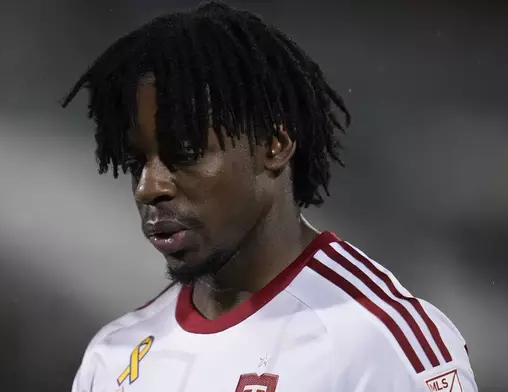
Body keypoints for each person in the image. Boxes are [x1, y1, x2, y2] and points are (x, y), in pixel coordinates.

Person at [61, 2, 477, 391]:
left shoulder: (379, 342)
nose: (149, 187)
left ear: (275, 145)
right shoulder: (112, 358)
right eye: (137, 162)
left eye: (184, 154)